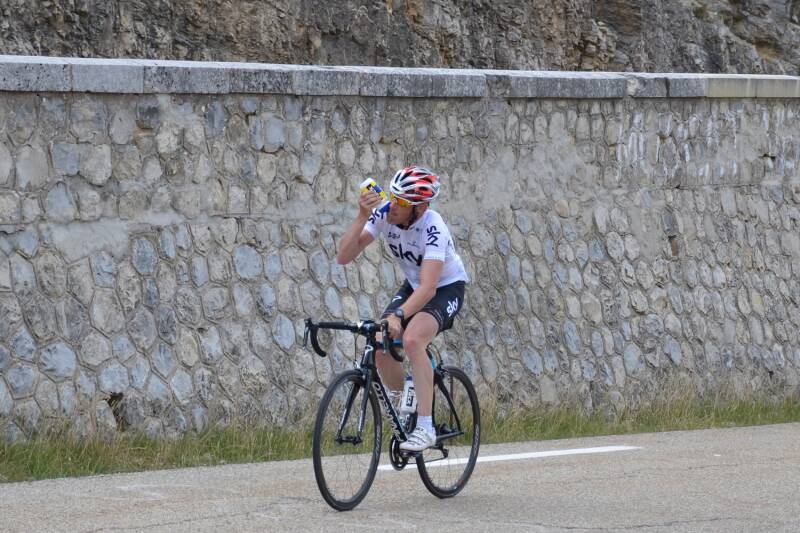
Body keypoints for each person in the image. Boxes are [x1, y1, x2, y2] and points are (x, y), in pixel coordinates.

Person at [336, 165, 469, 452]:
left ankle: (425, 427)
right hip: (414, 284)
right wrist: (362, 216)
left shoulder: (433, 225)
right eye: (392, 197)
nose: (392, 205)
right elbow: (344, 256)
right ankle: (406, 410)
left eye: (401, 202)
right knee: (381, 343)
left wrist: (399, 315)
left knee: (412, 339)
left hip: (444, 286)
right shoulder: (386, 213)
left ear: (418, 209)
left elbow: (429, 288)